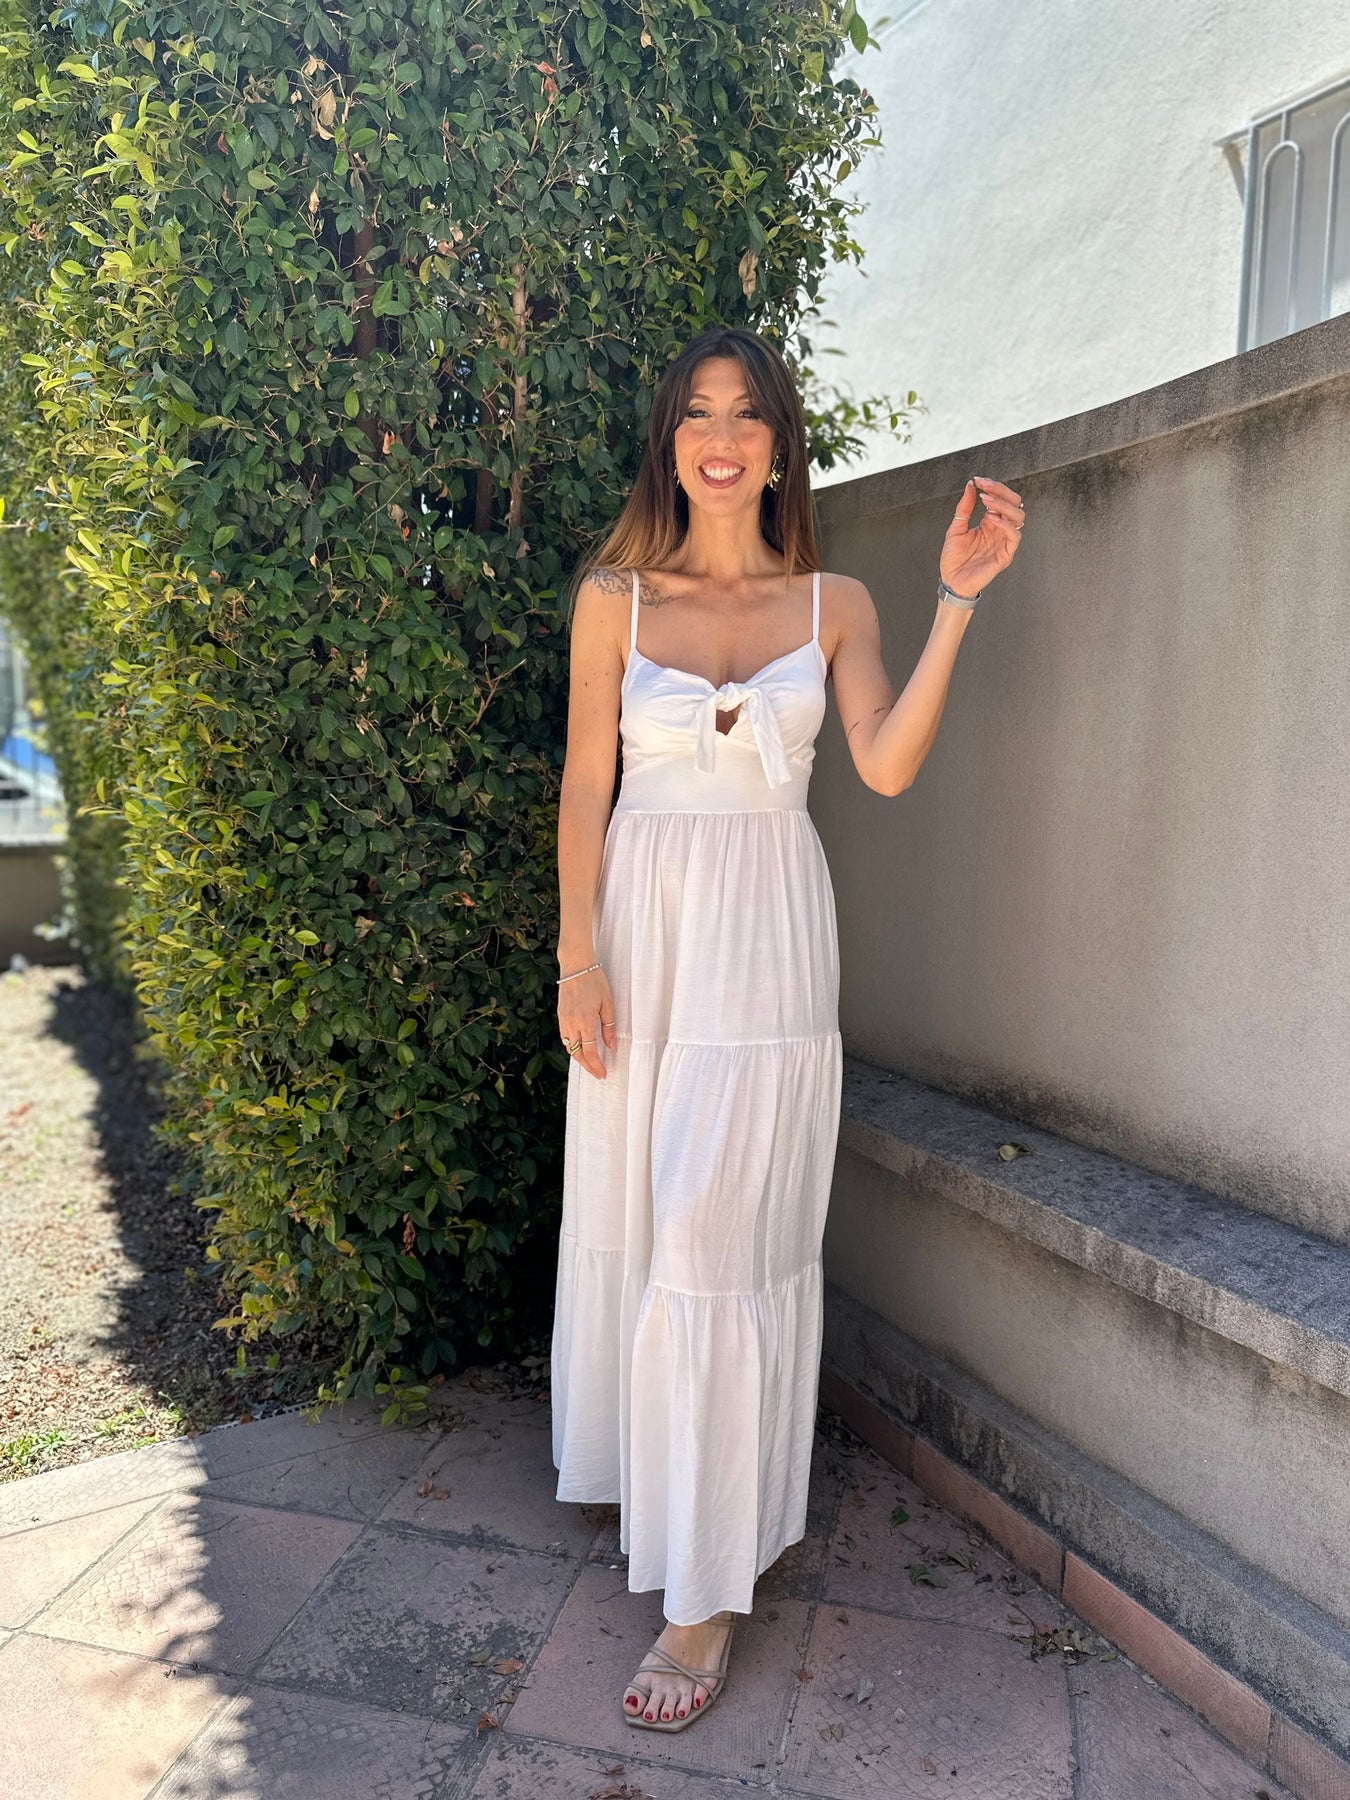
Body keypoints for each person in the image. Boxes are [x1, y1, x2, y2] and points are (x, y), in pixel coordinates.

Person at [550, 324, 1024, 1733]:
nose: (719, 436)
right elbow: (583, 781)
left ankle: (700, 1604)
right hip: (642, 936)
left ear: (777, 445)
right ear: (669, 439)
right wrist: (575, 960)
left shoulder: (836, 602)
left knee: (717, 1234)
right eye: (697, 412)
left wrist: (954, 605)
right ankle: (662, 1481)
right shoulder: (612, 600)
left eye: (746, 413)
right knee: (644, 1213)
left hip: (765, 944)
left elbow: (881, 763)